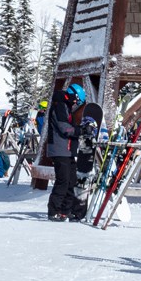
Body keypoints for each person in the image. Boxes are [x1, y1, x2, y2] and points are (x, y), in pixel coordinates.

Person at [45, 83, 84, 221]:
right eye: (76, 100)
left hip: (67, 150)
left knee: (71, 181)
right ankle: (53, 211)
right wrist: (80, 131)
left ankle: (65, 210)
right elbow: (64, 128)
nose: (75, 103)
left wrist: (81, 128)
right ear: (72, 95)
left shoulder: (65, 106)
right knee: (63, 181)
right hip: (59, 149)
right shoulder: (60, 105)